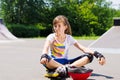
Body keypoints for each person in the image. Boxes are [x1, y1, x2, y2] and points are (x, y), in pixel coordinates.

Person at [40, 15, 106, 77]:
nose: (56, 28)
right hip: (53, 62)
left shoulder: (69, 38)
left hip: (65, 62)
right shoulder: (51, 37)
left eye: (59, 26)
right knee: (46, 59)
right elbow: (45, 48)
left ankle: (63, 69)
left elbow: (83, 48)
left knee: (89, 56)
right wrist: (44, 56)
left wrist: (98, 54)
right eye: (55, 26)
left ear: (65, 27)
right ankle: (69, 69)